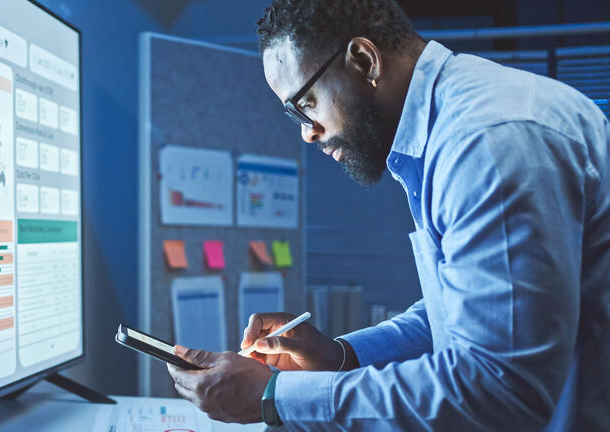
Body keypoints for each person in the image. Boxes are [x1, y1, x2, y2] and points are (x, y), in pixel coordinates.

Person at [166, 0, 610, 429]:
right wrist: (341, 356)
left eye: (305, 103)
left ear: (363, 60)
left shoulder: (485, 145)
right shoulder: (451, 127)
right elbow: (464, 312)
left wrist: (275, 397)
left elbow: (500, 388)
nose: (307, 133)